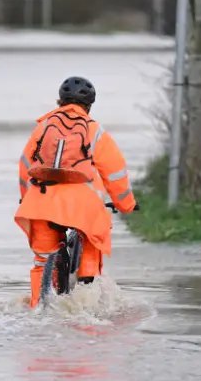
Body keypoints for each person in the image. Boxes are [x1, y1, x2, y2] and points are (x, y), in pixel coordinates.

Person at [13, 76, 138, 308]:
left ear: (59, 101)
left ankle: (38, 307)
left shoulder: (42, 127)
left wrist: (25, 197)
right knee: (92, 240)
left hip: (41, 200)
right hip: (82, 205)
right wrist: (126, 205)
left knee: (42, 259)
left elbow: (24, 166)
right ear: (89, 105)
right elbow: (115, 172)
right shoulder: (94, 131)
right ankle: (87, 294)